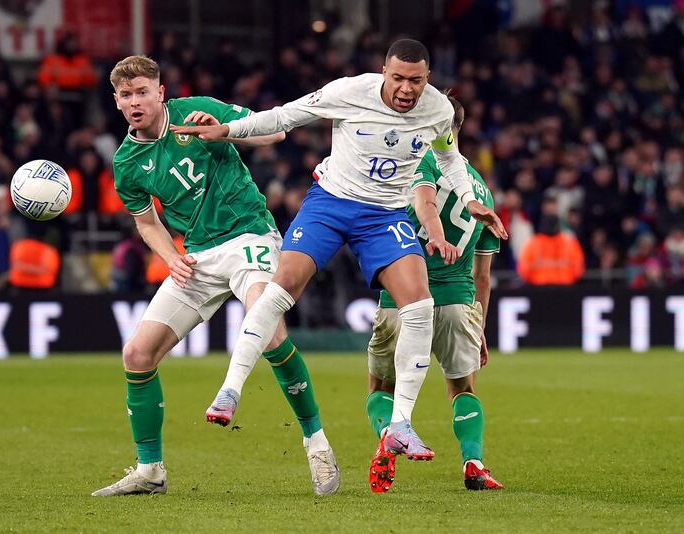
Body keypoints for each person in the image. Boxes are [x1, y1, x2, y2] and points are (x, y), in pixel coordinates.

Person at [173, 40, 507, 461]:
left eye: (416, 81)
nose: (406, 89)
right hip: (332, 202)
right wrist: (229, 131)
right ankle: (229, 389)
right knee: (282, 287)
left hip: (383, 215)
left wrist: (468, 197)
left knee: (420, 304)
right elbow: (283, 117)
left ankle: (400, 424)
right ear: (384, 72)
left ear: (428, 79)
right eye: (398, 78)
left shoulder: (438, 109)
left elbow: (448, 158)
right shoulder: (349, 91)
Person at [92, 55, 340, 497]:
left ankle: (316, 443)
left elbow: (277, 131)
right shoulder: (127, 163)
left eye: (142, 92)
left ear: (160, 92)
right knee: (137, 354)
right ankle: (150, 471)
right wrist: (171, 256)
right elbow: (147, 222)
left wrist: (225, 130)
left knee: (270, 330)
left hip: (249, 235)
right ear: (116, 102)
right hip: (199, 258)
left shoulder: (196, 111)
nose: (135, 101)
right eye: (126, 95)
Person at [366, 97, 503, 493]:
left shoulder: (418, 161)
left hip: (403, 299)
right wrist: (480, 327)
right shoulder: (481, 189)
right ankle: (474, 462)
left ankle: (387, 436)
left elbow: (423, 201)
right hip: (460, 302)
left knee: (380, 388)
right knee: (462, 389)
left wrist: (436, 236)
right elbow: (483, 276)